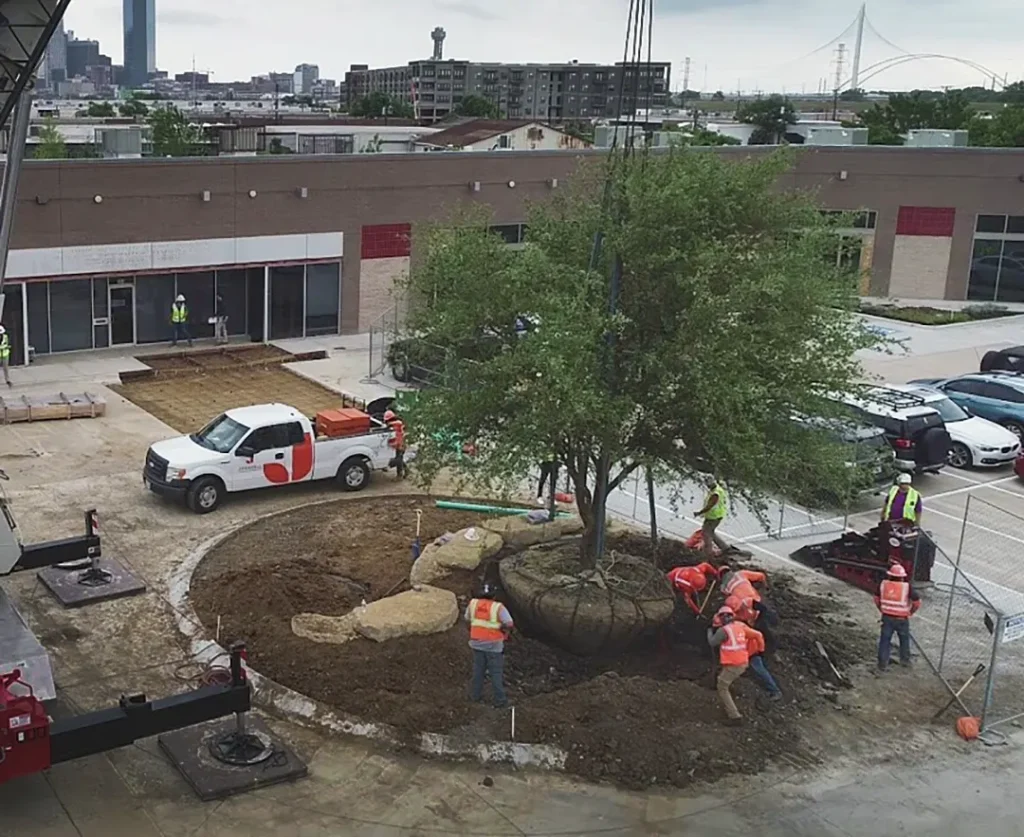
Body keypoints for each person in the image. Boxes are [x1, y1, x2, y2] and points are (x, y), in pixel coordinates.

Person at [465, 584, 514, 708]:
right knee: (496, 673)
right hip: (494, 646)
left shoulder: (473, 604)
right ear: (494, 595)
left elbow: (468, 619)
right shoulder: (498, 607)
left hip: (477, 643)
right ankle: (500, 700)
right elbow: (509, 623)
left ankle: (475, 696)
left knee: (478, 671)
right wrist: (502, 630)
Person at [706, 605, 754, 724]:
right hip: (742, 661)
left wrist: (709, 631)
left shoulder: (724, 630)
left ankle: (734, 716)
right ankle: (731, 696)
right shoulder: (739, 627)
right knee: (725, 678)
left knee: (722, 685)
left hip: (734, 664)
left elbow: (712, 642)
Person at [874, 562, 921, 671]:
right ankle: (905, 661)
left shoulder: (883, 584)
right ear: (902, 577)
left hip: (887, 617)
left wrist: (882, 608)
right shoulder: (906, 587)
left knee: (885, 640)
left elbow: (876, 598)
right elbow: (917, 602)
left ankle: (882, 663)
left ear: (890, 575)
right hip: (902, 618)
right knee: (904, 640)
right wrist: (911, 612)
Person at [744, 619, 782, 701]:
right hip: (754, 651)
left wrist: (760, 651)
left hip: (752, 654)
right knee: (761, 670)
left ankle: (775, 690)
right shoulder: (743, 626)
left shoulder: (738, 629)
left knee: (761, 671)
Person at [695, 476, 730, 559]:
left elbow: (710, 505)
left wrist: (700, 512)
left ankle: (708, 553)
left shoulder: (715, 493)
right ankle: (725, 547)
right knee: (711, 532)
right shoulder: (718, 489)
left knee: (706, 533)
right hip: (718, 515)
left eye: (708, 484)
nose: (707, 486)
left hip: (713, 517)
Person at [383, 409, 406, 479]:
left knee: (398, 460)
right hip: (401, 444)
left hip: (400, 444)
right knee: (399, 458)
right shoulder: (399, 423)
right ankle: (406, 472)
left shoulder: (394, 425)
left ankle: (399, 475)